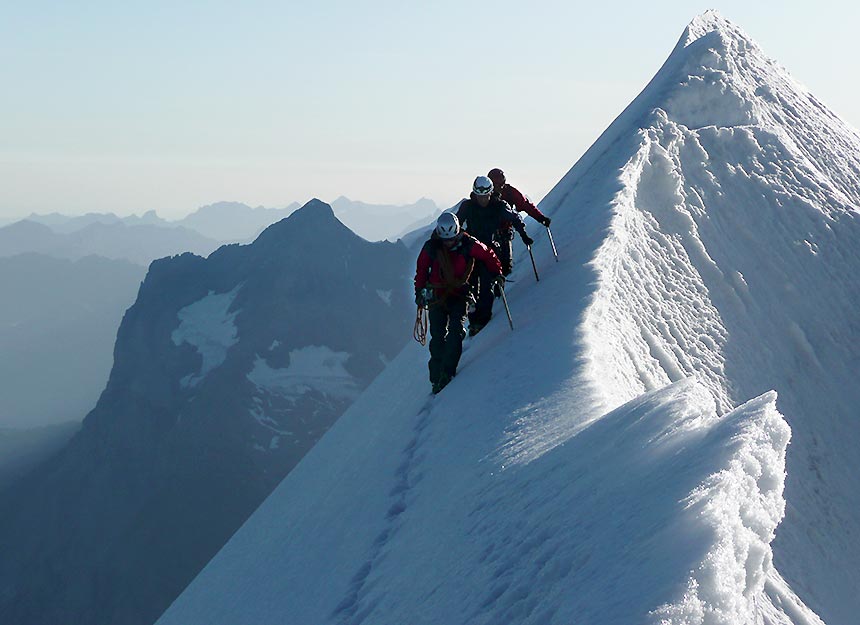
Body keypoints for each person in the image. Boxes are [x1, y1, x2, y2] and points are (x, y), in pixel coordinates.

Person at [415, 212, 503, 393]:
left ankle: (446, 373)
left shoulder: (464, 244)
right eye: (446, 240)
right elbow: (422, 270)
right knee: (438, 336)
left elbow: (488, 255)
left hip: (456, 295)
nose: (449, 243)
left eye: (451, 239)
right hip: (442, 295)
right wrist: (419, 291)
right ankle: (437, 376)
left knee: (454, 332)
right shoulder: (434, 247)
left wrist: (497, 273)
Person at [456, 175, 532, 335]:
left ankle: (481, 320)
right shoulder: (474, 207)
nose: (482, 199)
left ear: (490, 192)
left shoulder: (495, 206)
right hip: (472, 250)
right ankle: (474, 319)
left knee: (486, 284)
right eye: (479, 195)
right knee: (469, 285)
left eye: (485, 195)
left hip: (488, 251)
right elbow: (457, 224)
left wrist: (524, 235)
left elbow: (515, 219)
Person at [487, 168, 551, 275]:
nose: (500, 187)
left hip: (502, 232)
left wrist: (541, 218)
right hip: (491, 233)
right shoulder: (503, 193)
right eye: (498, 185)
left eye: (501, 184)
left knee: (504, 266)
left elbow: (524, 204)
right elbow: (524, 205)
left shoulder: (507, 193)